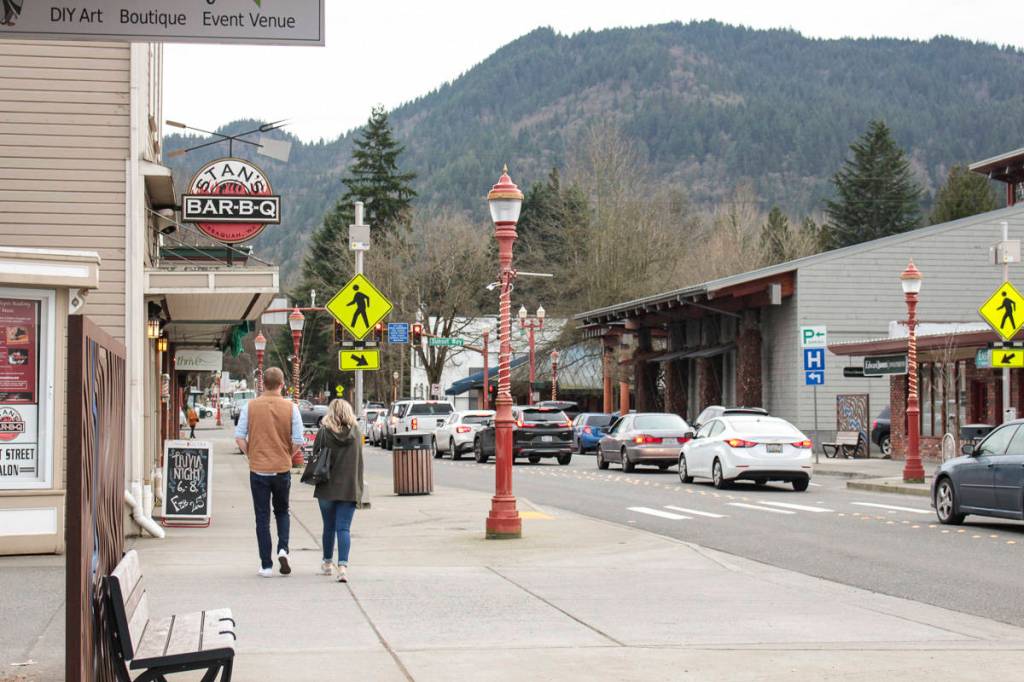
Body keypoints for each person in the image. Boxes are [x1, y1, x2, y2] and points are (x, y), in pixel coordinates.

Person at [234, 367, 304, 578]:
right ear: (282, 384)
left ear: (263, 384)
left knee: (262, 518)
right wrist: (287, 454)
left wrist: (251, 454)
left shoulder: (250, 407)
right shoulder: (291, 408)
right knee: (282, 511)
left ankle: (266, 565)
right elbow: (298, 440)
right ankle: (283, 548)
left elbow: (239, 437)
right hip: (281, 469)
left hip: (258, 470)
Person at [311, 399, 364, 583]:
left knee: (329, 526)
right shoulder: (356, 433)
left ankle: (327, 563)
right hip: (349, 487)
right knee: (343, 528)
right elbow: (359, 461)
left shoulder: (324, 432)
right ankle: (342, 567)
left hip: (326, 486)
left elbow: (315, 454)